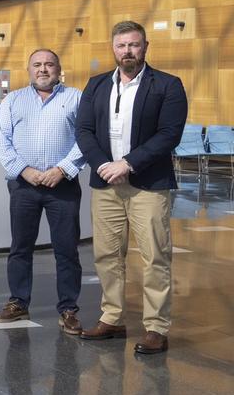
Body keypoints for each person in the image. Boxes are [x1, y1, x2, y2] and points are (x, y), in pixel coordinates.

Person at [76, 21, 186, 355]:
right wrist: (103, 166)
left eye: (134, 45)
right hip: (105, 183)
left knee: (155, 256)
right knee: (107, 255)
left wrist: (128, 163)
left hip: (148, 184)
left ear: (145, 47)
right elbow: (83, 130)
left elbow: (169, 134)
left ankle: (156, 327)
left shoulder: (167, 85)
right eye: (122, 45)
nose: (128, 51)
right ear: (113, 48)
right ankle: (112, 317)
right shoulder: (95, 85)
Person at [0, 49, 87, 333]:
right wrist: (25, 170)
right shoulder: (13, 100)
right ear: (28, 69)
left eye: (49, 64)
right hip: (24, 185)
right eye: (37, 64)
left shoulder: (76, 98)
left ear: (59, 68)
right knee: (20, 247)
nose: (43, 69)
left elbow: (85, 138)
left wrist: (62, 169)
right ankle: (18, 302)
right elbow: (1, 140)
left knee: (66, 249)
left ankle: (68, 309)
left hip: (63, 184)